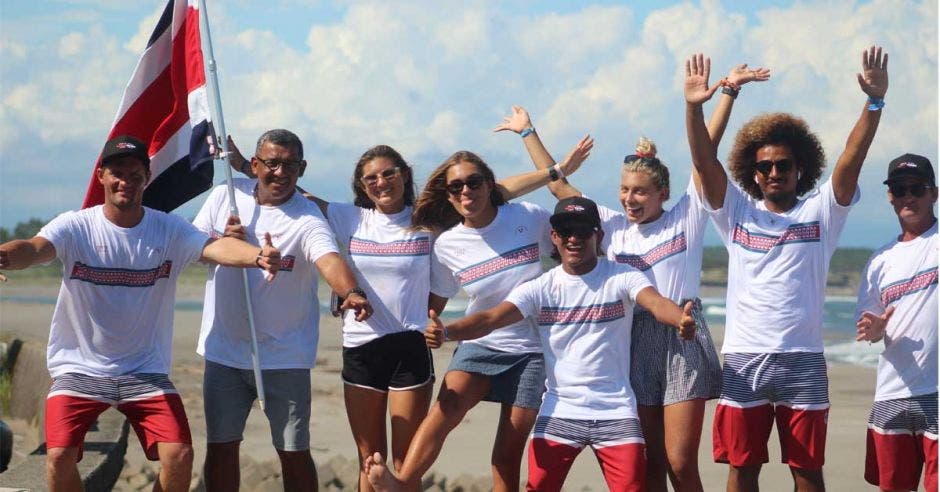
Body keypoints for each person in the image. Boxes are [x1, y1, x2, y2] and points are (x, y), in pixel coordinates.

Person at [227, 137, 592, 491]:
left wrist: (554, 171)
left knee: (405, 463)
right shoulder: (348, 218)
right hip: (361, 346)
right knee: (370, 459)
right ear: (361, 185)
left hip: (411, 348)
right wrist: (246, 166)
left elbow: (495, 193)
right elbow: (292, 191)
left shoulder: (428, 220)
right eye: (371, 178)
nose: (381, 182)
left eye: (388, 174)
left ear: (404, 175)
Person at [494, 65, 768, 491]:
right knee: (651, 461)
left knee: (680, 463)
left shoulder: (687, 216)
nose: (629, 198)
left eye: (640, 192)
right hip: (630, 341)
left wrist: (725, 93)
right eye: (625, 190)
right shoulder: (612, 226)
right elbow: (559, 188)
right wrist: (528, 132)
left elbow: (704, 156)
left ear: (662, 193)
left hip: (681, 336)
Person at [0, 135, 281, 492]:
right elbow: (35, 248)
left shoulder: (167, 229)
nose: (125, 182)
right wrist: (5, 255)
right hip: (79, 366)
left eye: (135, 174)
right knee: (58, 457)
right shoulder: (76, 226)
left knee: (179, 455)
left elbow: (214, 247)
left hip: (144, 369)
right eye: (117, 173)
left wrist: (256, 255)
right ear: (101, 175)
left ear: (146, 179)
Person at [369, 196, 696, 491]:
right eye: (565, 230)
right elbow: (491, 318)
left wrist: (678, 318)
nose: (573, 238)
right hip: (560, 410)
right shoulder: (541, 288)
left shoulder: (621, 277)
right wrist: (448, 332)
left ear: (598, 234)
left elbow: (655, 302)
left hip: (616, 411)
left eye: (582, 231)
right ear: (553, 236)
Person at [684, 47, 888, 491]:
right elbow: (703, 163)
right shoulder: (735, 212)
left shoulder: (821, 213)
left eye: (783, 165)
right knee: (742, 468)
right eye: (765, 166)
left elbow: (851, 161)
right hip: (744, 358)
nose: (774, 172)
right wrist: (693, 109)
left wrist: (873, 104)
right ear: (753, 173)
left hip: (804, 360)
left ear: (800, 169)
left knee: (807, 469)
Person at [364, 139, 593, 492]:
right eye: (456, 186)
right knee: (444, 412)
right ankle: (403, 484)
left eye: (473, 182)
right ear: (450, 197)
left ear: (489, 184)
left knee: (507, 453)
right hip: (479, 343)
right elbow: (436, 300)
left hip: (531, 351)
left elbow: (574, 241)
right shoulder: (448, 245)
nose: (466, 190)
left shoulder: (528, 217)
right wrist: (426, 323)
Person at [194, 129, 373, 491]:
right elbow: (192, 249)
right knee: (221, 447)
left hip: (285, 355)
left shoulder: (306, 217)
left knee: (293, 450)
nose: (280, 172)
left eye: (290, 165)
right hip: (224, 350)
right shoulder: (225, 198)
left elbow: (328, 259)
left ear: (302, 168)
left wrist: (350, 292)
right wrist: (223, 243)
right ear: (256, 165)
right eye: (272, 163)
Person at [855, 154, 937, 492]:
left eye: (916, 189)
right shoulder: (879, 261)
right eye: (899, 190)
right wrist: (873, 331)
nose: (908, 197)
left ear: (933, 193)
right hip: (892, 395)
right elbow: (869, 325)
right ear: (890, 197)